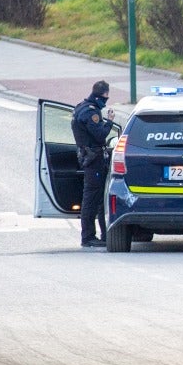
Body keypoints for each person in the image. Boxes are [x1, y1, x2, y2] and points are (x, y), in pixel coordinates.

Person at [71, 80, 116, 248]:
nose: (106, 99)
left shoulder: (81, 107)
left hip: (88, 157)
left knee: (96, 197)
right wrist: (110, 121)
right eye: (106, 96)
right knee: (92, 198)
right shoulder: (91, 112)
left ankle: (103, 235)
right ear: (103, 94)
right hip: (94, 160)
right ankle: (88, 237)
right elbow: (100, 135)